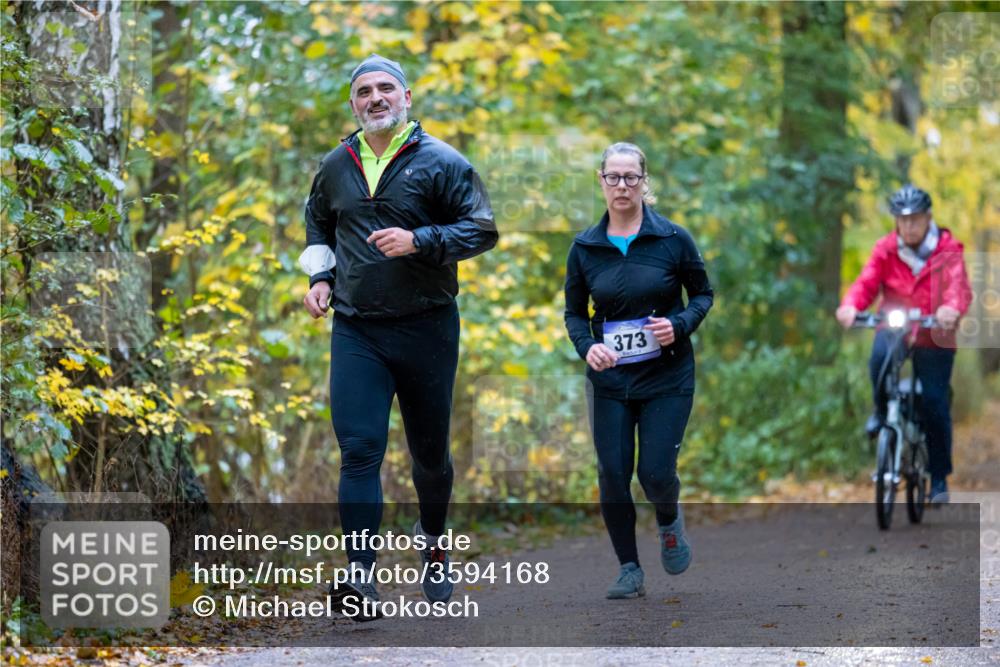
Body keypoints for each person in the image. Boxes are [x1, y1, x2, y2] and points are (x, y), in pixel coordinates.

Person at [300, 54, 498, 620]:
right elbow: (317, 221)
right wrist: (320, 277)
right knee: (359, 450)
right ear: (353, 104)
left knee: (429, 456)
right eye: (364, 91)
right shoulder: (336, 164)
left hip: (428, 328)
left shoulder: (442, 161)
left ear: (407, 97)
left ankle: (433, 543)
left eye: (386, 88)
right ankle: (361, 579)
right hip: (358, 329)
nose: (375, 98)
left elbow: (482, 229)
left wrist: (420, 240)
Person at [564, 142, 713, 599]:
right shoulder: (585, 247)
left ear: (644, 182)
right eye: (614, 177)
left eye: (631, 177)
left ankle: (668, 519)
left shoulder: (672, 239)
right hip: (610, 380)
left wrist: (678, 325)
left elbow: (703, 295)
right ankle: (629, 568)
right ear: (601, 181)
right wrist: (588, 348)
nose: (622, 185)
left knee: (654, 473)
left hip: (666, 378)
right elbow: (573, 313)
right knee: (612, 473)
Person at [836, 184, 973, 502]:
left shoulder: (947, 249)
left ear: (928, 218)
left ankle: (938, 478)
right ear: (896, 221)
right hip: (894, 327)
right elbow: (867, 281)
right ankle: (883, 413)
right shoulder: (886, 248)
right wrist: (851, 305)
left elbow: (958, 286)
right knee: (879, 361)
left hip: (933, 331)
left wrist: (950, 308)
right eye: (903, 219)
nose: (909, 226)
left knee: (936, 403)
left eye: (915, 219)